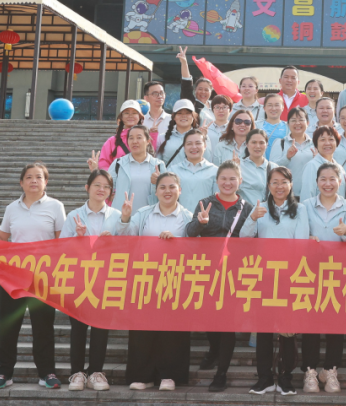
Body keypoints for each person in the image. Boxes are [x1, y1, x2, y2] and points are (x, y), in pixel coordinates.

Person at [0, 163, 65, 390]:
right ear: (21, 182)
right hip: (13, 277)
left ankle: (47, 373)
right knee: (9, 325)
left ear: (46, 182)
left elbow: (62, 240)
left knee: (43, 327)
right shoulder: (12, 208)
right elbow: (2, 235)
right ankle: (4, 373)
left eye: (39, 177)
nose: (34, 181)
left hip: (43, 277)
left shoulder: (56, 206)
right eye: (29, 177)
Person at [118, 171, 193, 391]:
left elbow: (196, 249)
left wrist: (176, 243)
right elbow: (126, 237)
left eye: (172, 187)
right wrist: (125, 218)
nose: (167, 191)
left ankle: (169, 375)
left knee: (172, 329)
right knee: (143, 328)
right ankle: (143, 375)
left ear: (180, 190)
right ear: (156, 191)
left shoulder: (188, 217)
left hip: (175, 279)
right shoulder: (144, 213)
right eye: (162, 187)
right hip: (146, 278)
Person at [241, 166, 309, 396]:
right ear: (268, 186)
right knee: (263, 330)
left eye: (284, 182)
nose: (279, 187)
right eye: (274, 182)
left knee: (288, 331)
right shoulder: (260, 208)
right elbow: (244, 238)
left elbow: (301, 244)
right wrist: (252, 218)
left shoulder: (300, 209)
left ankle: (286, 378)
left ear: (291, 184)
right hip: (264, 277)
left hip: (289, 277)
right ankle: (265, 378)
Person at [186, 162, 254, 391]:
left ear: (240, 181)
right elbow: (189, 232)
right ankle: (214, 350)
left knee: (227, 322)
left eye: (232, 179)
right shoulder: (205, 203)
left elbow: (253, 238)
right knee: (208, 318)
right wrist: (200, 223)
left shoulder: (247, 207)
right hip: (206, 269)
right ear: (217, 180)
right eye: (223, 178)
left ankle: (221, 373)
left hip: (234, 271)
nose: (228, 183)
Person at [61, 171, 121, 392]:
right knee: (78, 327)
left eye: (106, 186)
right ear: (87, 187)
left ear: (111, 191)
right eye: (97, 185)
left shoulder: (117, 216)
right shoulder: (74, 215)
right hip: (79, 280)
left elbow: (127, 248)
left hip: (106, 280)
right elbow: (62, 249)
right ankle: (77, 372)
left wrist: (113, 242)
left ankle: (96, 372)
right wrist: (77, 238)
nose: (101, 189)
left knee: (100, 327)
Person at [301, 163, 346, 395]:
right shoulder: (305, 206)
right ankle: (310, 371)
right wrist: (307, 238)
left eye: (332, 179)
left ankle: (331, 370)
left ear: (340, 181)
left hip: (338, 273)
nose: (327, 183)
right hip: (310, 272)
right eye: (323, 179)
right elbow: (298, 234)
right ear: (316, 182)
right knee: (310, 324)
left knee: (336, 324)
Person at [108, 124, 162, 212]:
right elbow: (106, 187)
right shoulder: (118, 164)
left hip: (149, 217)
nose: (134, 141)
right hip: (122, 216)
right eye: (131, 138)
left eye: (139, 137)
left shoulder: (158, 165)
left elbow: (166, 192)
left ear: (148, 141)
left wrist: (159, 183)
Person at [91, 99, 155, 171]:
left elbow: (154, 157)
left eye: (134, 113)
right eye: (126, 113)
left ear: (139, 116)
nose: (130, 115)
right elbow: (104, 162)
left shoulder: (146, 138)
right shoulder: (112, 141)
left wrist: (154, 134)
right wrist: (114, 175)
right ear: (121, 117)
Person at [165, 128, 217, 212]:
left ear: (205, 146)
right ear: (184, 147)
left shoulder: (214, 171)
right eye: (189, 144)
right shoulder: (173, 170)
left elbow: (217, 201)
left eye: (198, 143)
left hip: (205, 218)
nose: (194, 147)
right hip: (180, 218)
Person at [297, 125, 345, 201]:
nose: (327, 143)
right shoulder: (312, 166)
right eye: (322, 140)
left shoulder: (339, 168)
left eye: (331, 139)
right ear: (316, 144)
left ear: (337, 143)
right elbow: (306, 196)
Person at [155, 99, 204, 169]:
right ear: (174, 117)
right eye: (179, 113)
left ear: (193, 116)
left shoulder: (202, 138)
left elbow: (206, 162)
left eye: (187, 113)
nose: (183, 116)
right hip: (169, 176)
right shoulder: (162, 138)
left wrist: (204, 137)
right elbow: (158, 164)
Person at [269, 105, 314, 174]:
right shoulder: (280, 143)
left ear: (307, 123)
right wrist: (287, 157)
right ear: (288, 124)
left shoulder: (315, 144)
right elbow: (272, 169)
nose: (297, 123)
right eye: (293, 120)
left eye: (301, 120)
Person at [237, 128, 271, 206]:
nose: (257, 146)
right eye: (254, 142)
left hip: (267, 211)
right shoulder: (239, 166)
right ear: (246, 144)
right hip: (244, 211)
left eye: (261, 143)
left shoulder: (273, 168)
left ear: (266, 145)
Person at [177, 45, 214, 113]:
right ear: (195, 90)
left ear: (211, 91)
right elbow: (186, 84)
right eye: (200, 89)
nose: (203, 92)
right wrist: (184, 62)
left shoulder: (215, 106)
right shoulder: (191, 104)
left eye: (206, 90)